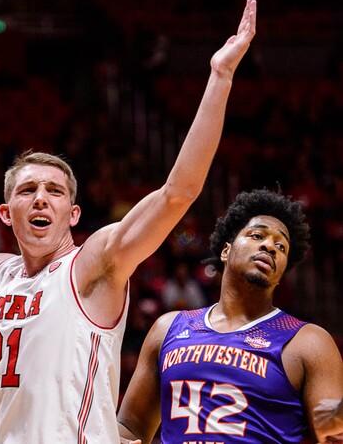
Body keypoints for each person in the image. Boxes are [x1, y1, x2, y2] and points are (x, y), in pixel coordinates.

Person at [0, 0, 257, 444]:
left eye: (55, 192)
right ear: (7, 214)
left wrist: (220, 77)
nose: (41, 199)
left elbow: (177, 193)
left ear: (74, 213)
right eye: (28, 191)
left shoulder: (93, 267)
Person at [117, 189, 343, 443]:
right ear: (226, 250)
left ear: (281, 274)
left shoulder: (309, 342)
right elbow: (130, 427)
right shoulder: (167, 328)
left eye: (281, 246)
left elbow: (332, 433)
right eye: (257, 235)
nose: (270, 246)